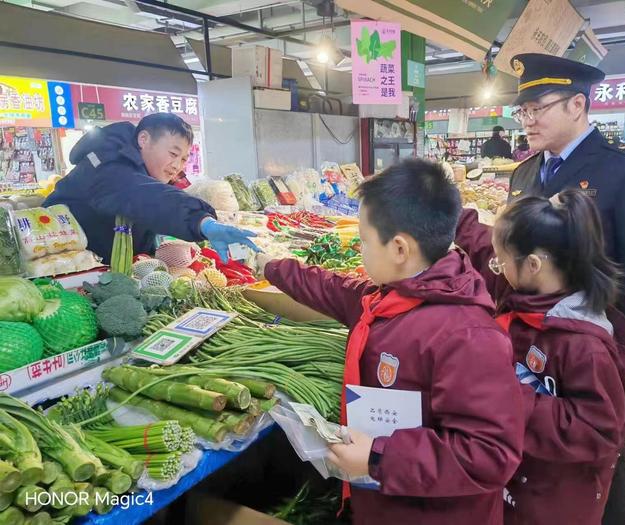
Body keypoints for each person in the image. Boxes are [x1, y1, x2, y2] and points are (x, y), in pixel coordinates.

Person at [257, 159, 525, 525]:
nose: (362, 250)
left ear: (399, 249)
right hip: (385, 501)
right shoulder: (391, 298)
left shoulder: (468, 337)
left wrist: (379, 456)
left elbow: (489, 453)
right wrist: (271, 267)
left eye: (365, 240)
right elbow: (335, 290)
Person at [506, 53, 625, 524]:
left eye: (539, 107)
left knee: (599, 446)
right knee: (542, 441)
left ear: (578, 104)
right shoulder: (523, 174)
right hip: (533, 336)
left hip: (592, 338)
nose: (529, 119)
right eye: (523, 111)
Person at [455, 189, 625, 525]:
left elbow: (599, 430)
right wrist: (447, 210)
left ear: (533, 264)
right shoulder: (525, 290)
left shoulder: (584, 345)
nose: (496, 267)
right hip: (517, 477)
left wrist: (505, 395)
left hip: (555, 499)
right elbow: (482, 245)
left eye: (502, 261)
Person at [44, 113, 258, 262]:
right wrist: (200, 220)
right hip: (58, 270)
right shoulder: (105, 165)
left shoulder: (141, 171)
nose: (177, 166)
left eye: (183, 159)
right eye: (173, 154)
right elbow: (141, 196)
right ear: (144, 139)